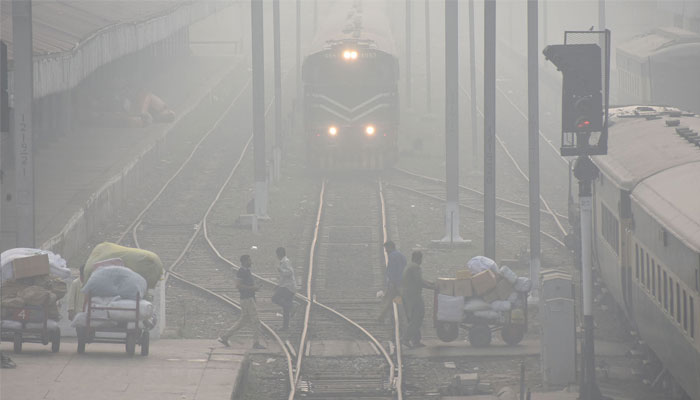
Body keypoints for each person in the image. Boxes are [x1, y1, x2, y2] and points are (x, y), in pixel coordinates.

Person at [218, 255, 266, 349]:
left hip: (248, 298)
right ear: (244, 261)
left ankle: (225, 337)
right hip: (247, 299)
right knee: (256, 321)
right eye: (249, 260)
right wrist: (253, 288)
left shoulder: (247, 271)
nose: (251, 262)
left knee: (243, 320)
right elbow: (238, 285)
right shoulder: (241, 272)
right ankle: (256, 343)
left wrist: (256, 287)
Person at [400, 250, 434, 348]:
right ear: (419, 258)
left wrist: (430, 283)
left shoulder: (409, 266)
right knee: (418, 317)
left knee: (414, 317)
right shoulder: (415, 267)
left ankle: (416, 341)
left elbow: (420, 280)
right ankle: (405, 338)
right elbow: (419, 282)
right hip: (413, 296)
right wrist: (433, 287)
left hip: (408, 295)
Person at [377, 241, 407, 324]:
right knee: (401, 300)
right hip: (402, 283)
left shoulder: (392, 256)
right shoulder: (402, 255)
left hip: (395, 283)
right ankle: (384, 317)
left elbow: (392, 271)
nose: (385, 251)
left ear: (390, 247)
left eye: (386, 248)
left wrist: (391, 283)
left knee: (390, 300)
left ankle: (382, 317)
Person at [271, 247, 296, 330]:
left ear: (280, 254)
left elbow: (290, 272)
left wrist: (281, 270)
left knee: (275, 298)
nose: (277, 256)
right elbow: (283, 278)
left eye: (277, 254)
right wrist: (278, 285)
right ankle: (285, 326)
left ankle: (292, 306)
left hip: (288, 287)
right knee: (285, 308)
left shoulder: (285, 261)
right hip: (287, 286)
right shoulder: (283, 261)